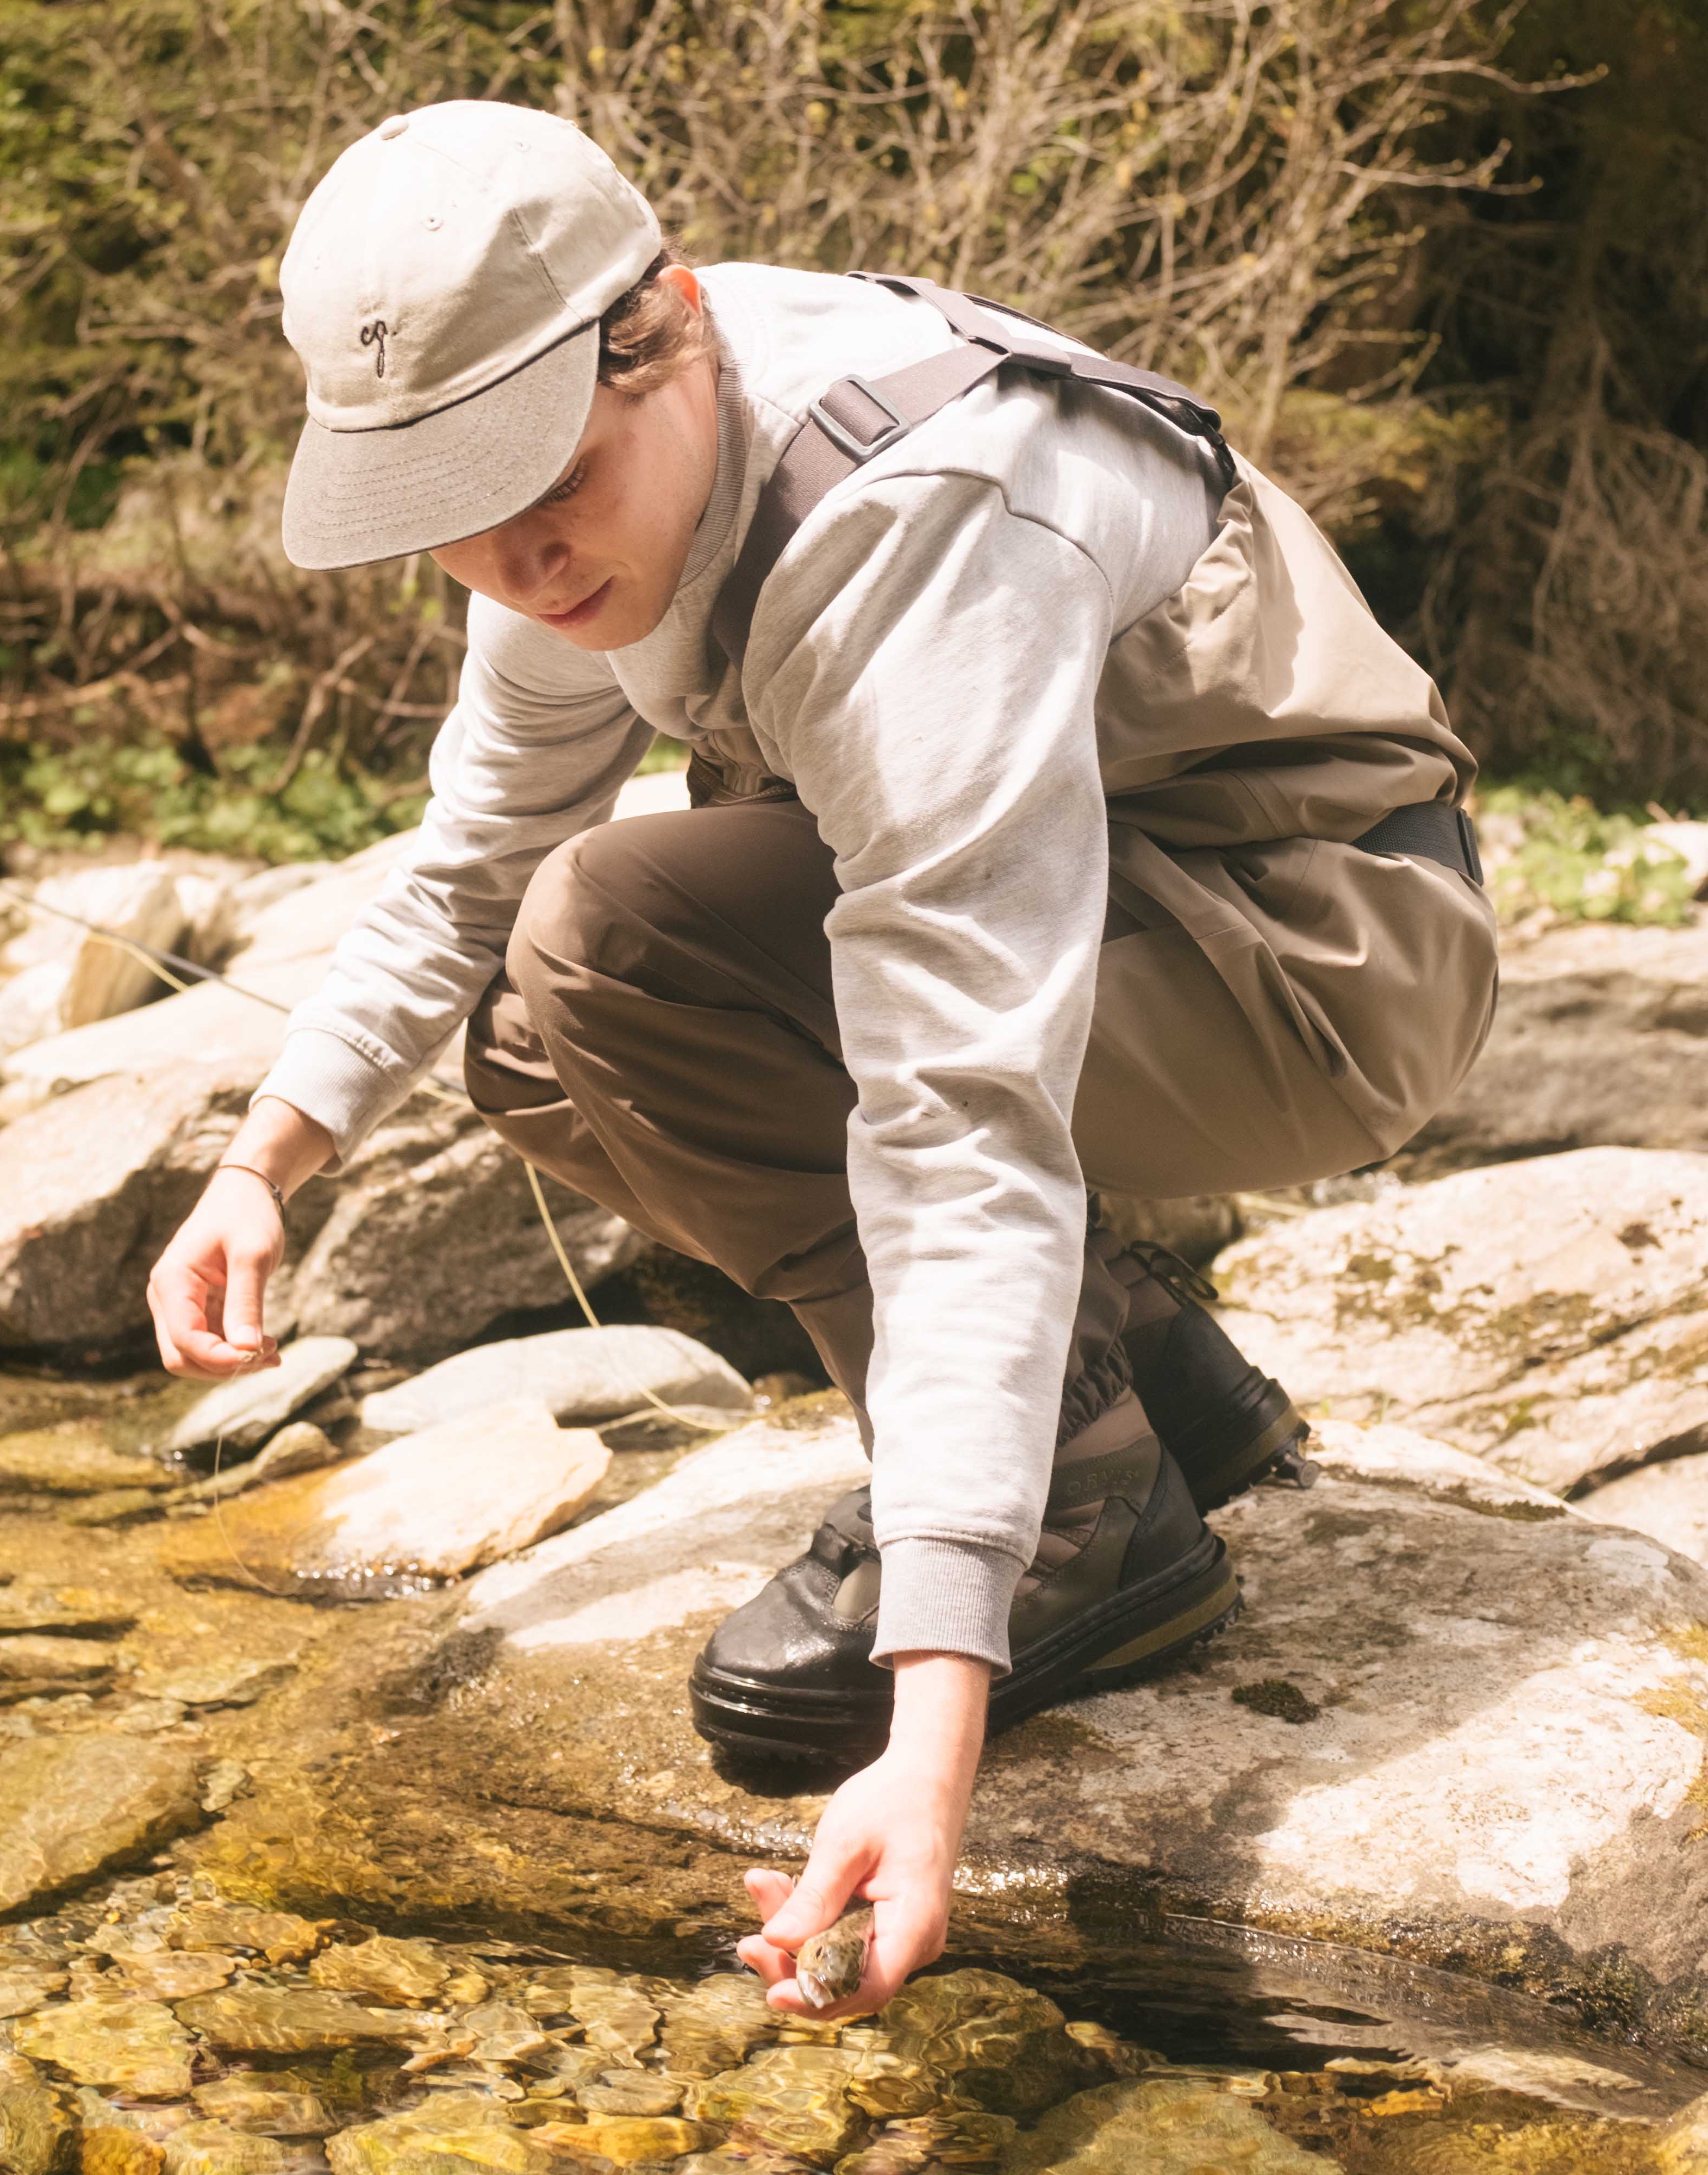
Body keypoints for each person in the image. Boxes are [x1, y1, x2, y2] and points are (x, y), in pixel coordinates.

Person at [147, 100, 1497, 2020]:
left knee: (617, 947)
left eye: (541, 475)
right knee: (538, 1032)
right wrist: (262, 1160)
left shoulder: (910, 522)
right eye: (440, 498)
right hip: (1153, 927)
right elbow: (473, 857)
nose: (513, 556)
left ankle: (1084, 1518)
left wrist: (935, 1715)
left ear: (672, 324)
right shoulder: (580, 518)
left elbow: (959, 1105)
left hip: (1321, 962)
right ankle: (1142, 1387)